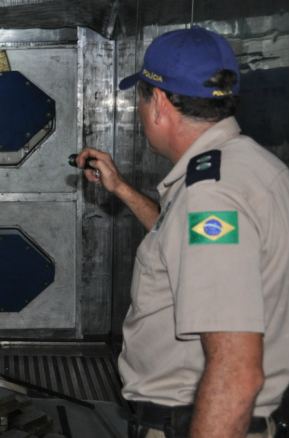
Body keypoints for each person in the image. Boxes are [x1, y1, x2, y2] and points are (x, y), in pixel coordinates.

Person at [73, 26, 289, 438]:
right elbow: (189, 251)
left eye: (141, 96)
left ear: (158, 103)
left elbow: (236, 372)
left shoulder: (211, 194)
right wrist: (120, 188)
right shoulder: (251, 167)